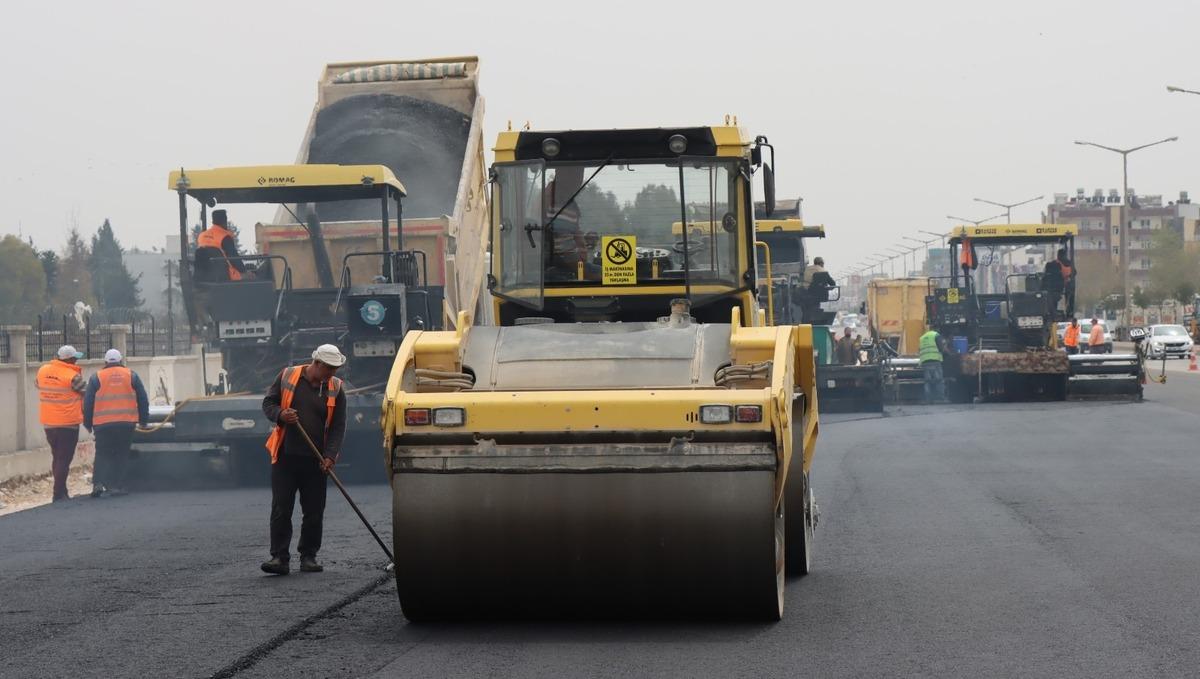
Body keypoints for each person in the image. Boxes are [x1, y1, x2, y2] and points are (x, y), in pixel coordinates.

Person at [260, 344, 348, 575]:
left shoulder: (336, 388)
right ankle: (279, 558)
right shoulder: (288, 376)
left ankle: (308, 556)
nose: (332, 374)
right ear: (316, 363)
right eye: (329, 368)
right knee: (281, 508)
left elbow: (338, 426)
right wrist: (281, 414)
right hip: (286, 457)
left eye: (335, 369)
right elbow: (268, 404)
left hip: (316, 460)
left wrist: (330, 456)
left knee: (314, 510)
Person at [83, 349, 149, 497]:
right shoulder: (131, 375)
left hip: (102, 424)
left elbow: (87, 403)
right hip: (126, 423)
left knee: (102, 453)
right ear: (121, 360)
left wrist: (87, 423)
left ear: (105, 362)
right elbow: (143, 399)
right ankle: (116, 485)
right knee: (121, 454)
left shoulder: (96, 377)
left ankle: (98, 483)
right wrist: (143, 420)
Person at [36, 345, 86, 502]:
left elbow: (38, 384)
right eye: (75, 358)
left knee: (57, 457)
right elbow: (88, 392)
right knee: (64, 459)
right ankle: (58, 494)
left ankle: (62, 490)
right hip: (67, 424)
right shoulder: (72, 376)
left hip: (49, 423)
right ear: (70, 359)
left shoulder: (43, 370)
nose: (77, 360)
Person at [195, 209, 246, 282]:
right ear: (225, 220)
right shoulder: (224, 237)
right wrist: (244, 271)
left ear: (213, 221)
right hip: (225, 278)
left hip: (203, 278)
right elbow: (233, 257)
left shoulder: (201, 236)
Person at [918, 325, 951, 404]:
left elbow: (919, 350)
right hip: (935, 361)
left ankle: (928, 399)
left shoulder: (922, 338)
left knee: (927, 381)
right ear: (937, 329)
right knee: (939, 380)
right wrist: (949, 353)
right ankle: (940, 399)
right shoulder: (936, 335)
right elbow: (941, 348)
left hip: (925, 362)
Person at [1057, 248, 1076, 316]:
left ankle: (1067, 310)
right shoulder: (1070, 263)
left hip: (1059, 286)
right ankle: (1068, 311)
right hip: (1068, 285)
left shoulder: (1056, 263)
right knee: (1068, 298)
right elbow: (1074, 273)